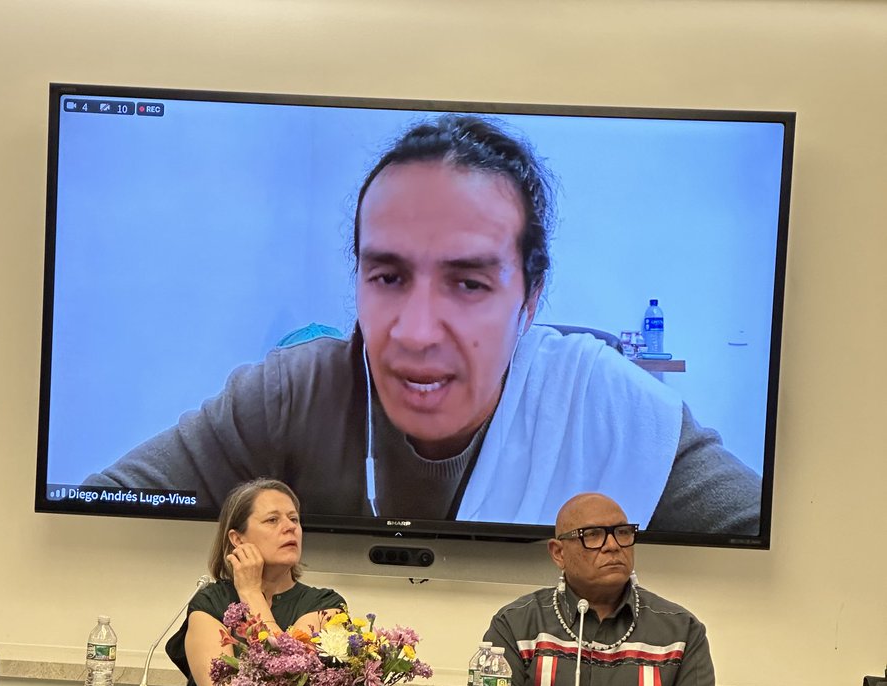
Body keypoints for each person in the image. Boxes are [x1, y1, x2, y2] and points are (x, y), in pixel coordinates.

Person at [86, 114, 761, 535]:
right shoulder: (292, 396)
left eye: (467, 283)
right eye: (387, 277)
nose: (415, 331)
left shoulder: (606, 408)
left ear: (531, 296)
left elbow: (766, 550)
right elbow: (102, 515)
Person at [484, 492, 716, 686]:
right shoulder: (515, 624)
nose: (613, 545)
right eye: (592, 535)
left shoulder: (681, 630)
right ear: (558, 553)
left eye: (623, 532)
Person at [165, 478, 345, 686]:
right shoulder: (211, 603)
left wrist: (251, 593)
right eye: (272, 520)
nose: (290, 527)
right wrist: (249, 591)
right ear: (237, 539)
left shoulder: (325, 605)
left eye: (294, 519)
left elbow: (292, 675)